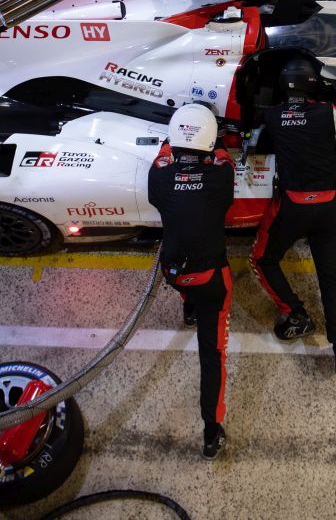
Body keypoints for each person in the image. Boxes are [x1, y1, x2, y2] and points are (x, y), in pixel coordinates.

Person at [250, 57, 336, 374]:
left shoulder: (272, 116)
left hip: (292, 206)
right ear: (314, 84)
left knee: (262, 258)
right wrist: (333, 96)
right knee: (332, 276)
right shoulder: (328, 112)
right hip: (328, 207)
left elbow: (260, 144)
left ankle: (296, 313)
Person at [147, 103, 236, 459]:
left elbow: (163, 155)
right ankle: (211, 432)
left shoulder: (159, 177)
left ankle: (189, 311)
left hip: (174, 273)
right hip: (212, 279)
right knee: (212, 356)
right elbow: (223, 157)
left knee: (185, 282)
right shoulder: (220, 178)